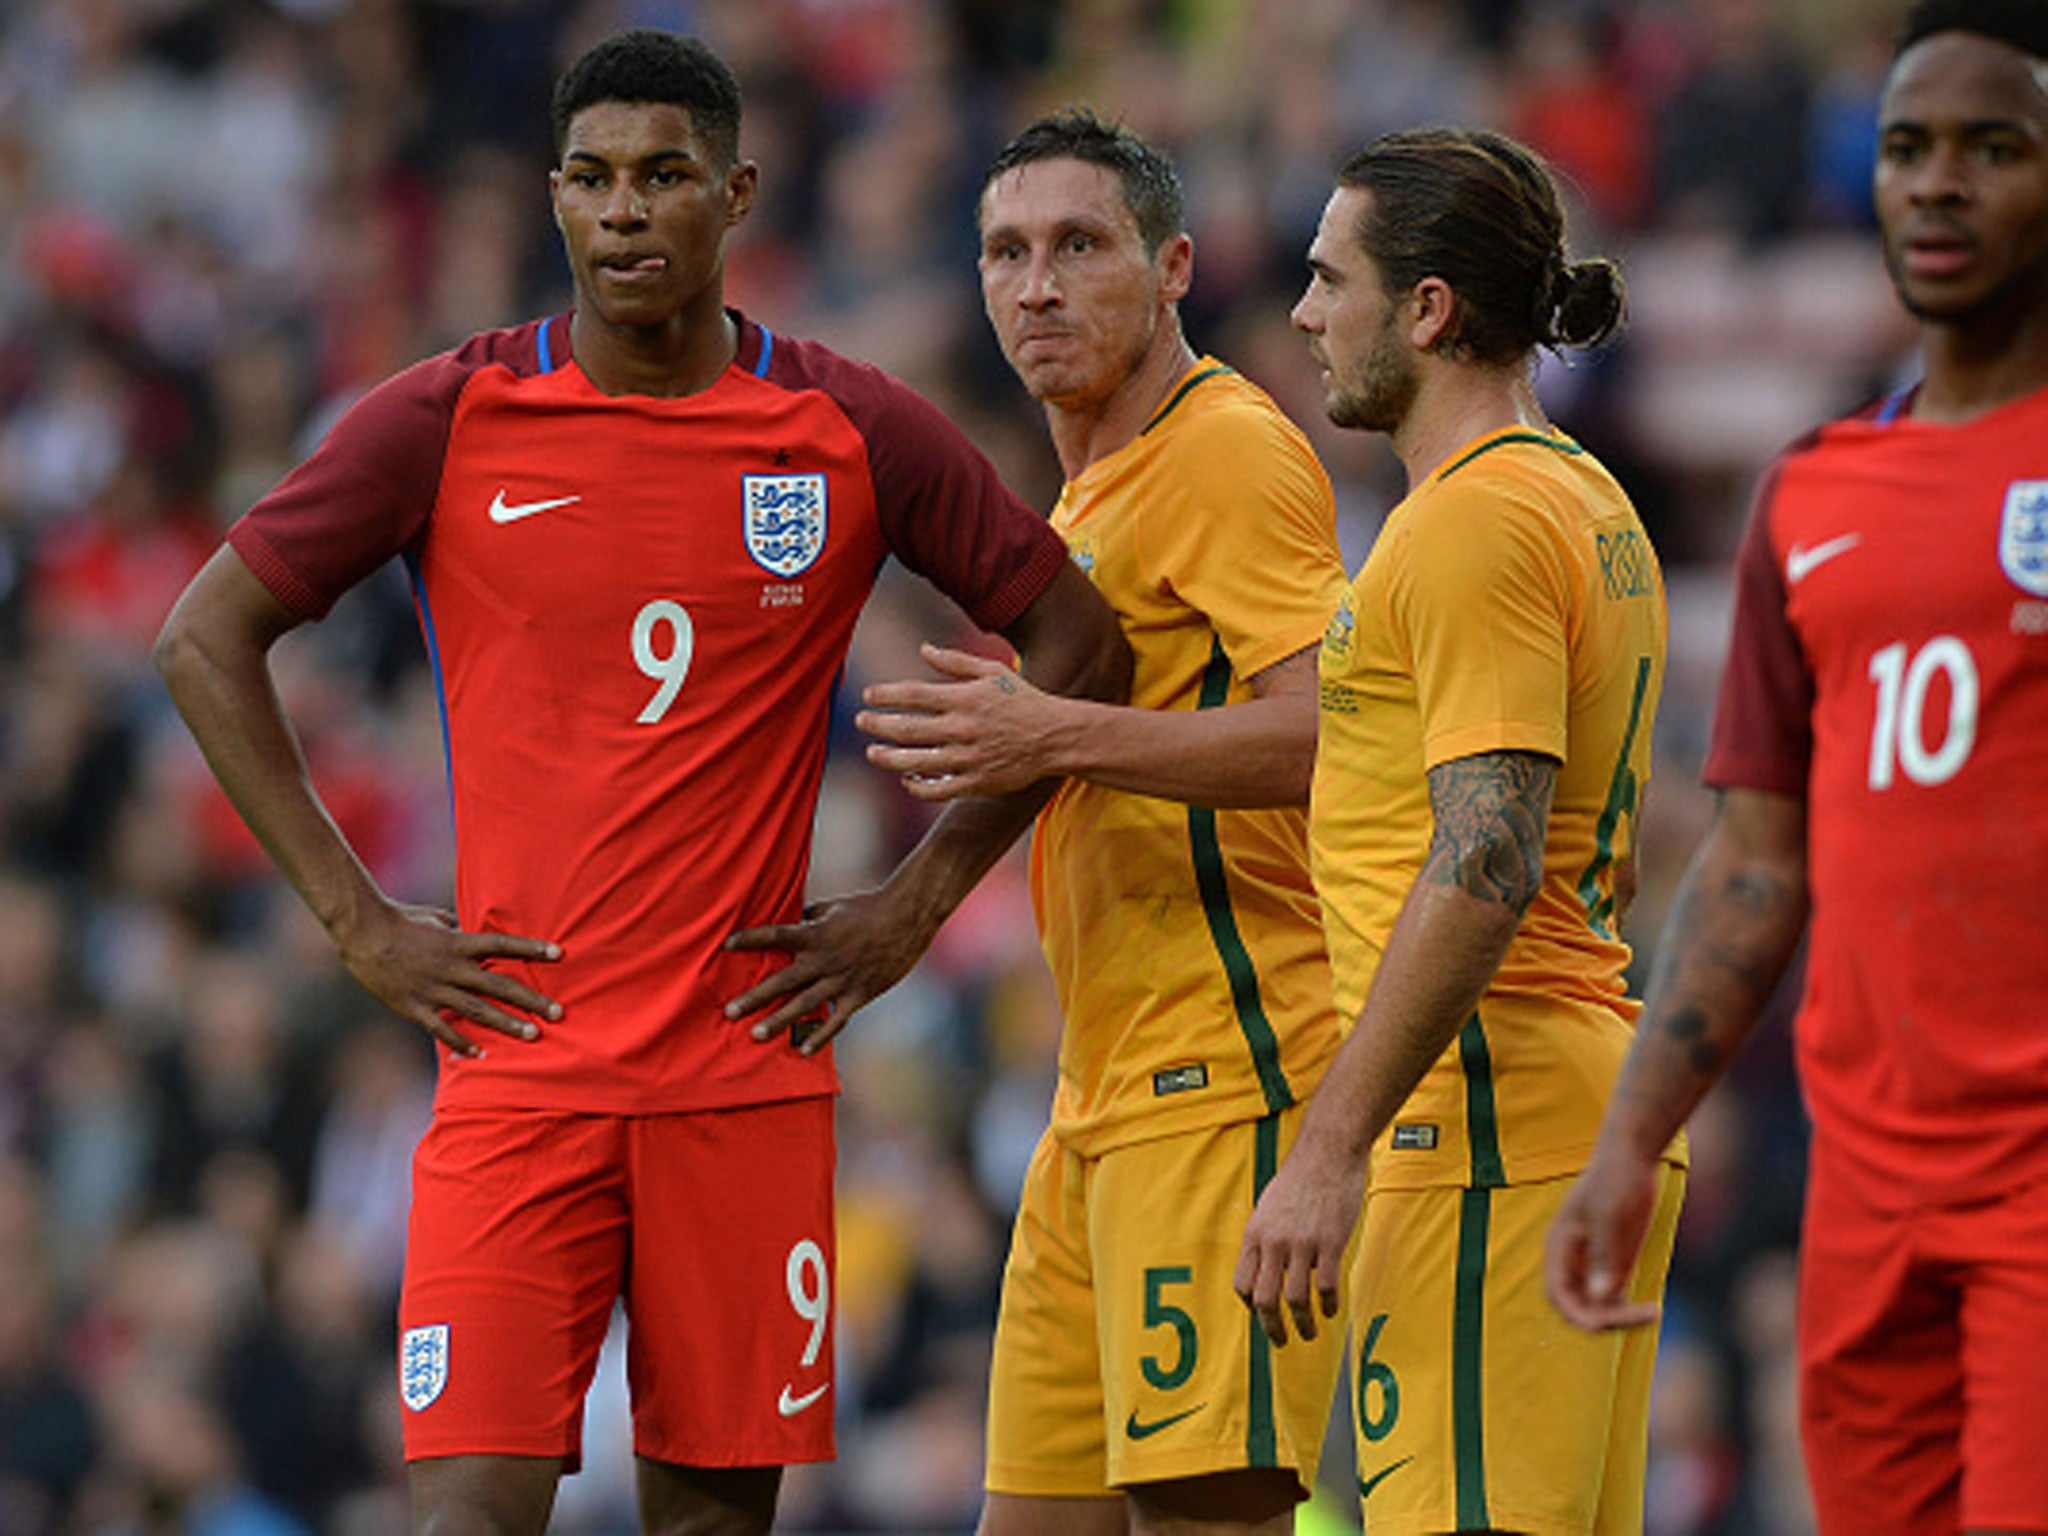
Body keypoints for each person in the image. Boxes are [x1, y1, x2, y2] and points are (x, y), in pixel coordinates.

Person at [152, 30, 1128, 1536]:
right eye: (593, 179)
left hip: (739, 1077)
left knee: (712, 1526)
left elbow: (1083, 640)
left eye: (664, 176)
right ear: (552, 198)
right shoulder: (452, 414)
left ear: (735, 193)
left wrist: (916, 905)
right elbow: (207, 635)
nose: (624, 212)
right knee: (465, 1514)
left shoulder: (848, 427)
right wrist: (356, 920)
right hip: (517, 1072)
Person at [1546, 4, 2048, 1532]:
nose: (1939, 184)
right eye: (1907, 149)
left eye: (1993, 149)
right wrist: (1632, 1137)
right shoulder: (1812, 495)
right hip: (1868, 1188)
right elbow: (1760, 861)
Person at [836, 108, 1352, 1534]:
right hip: (1096, 1099)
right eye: (1006, 251)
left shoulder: (1227, 453)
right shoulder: (1088, 493)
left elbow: (1334, 737)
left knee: (1210, 1514)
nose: (1037, 285)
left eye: (1079, 245)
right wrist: (909, 907)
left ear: (1174, 263)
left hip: (1228, 1073)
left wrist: (1051, 729)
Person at [1232, 128, 1681, 1536]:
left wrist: (1329, 1146)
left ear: (1428, 310)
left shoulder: (1469, 526)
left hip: (1485, 1132)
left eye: (1329, 278)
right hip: (1563, 1112)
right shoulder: (1582, 494)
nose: (1304, 313)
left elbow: (1484, 861)